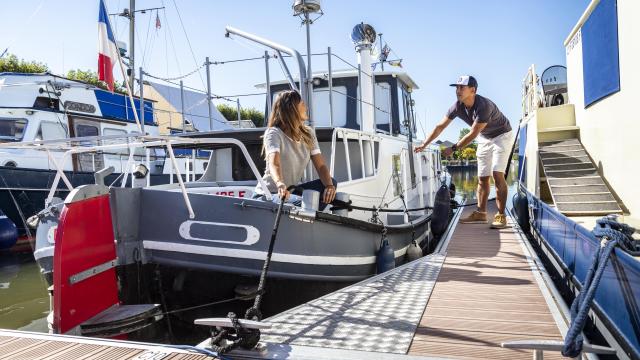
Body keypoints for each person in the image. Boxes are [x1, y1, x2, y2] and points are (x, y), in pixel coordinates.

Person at [414, 75, 513, 228]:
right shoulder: (457, 107)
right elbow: (440, 126)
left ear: (472, 90)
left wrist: (453, 148)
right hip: (485, 137)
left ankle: (501, 216)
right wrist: (424, 144)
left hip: (502, 135)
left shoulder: (483, 106)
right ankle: (481, 213)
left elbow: (473, 133)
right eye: (456, 87)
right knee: (482, 178)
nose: (458, 90)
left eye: (462, 87)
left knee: (497, 173)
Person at [253, 90, 337, 209]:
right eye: (302, 104)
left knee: (331, 183)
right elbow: (274, 163)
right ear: (292, 108)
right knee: (305, 203)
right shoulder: (273, 133)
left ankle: (311, 214)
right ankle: (310, 216)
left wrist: (329, 186)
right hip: (270, 194)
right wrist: (280, 184)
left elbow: (321, 166)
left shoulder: (308, 134)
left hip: (290, 192)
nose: (306, 107)